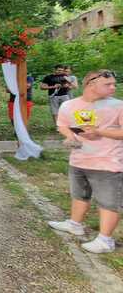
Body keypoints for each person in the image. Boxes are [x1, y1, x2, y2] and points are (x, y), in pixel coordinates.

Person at [48, 70, 122, 254]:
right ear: (90, 84)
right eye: (108, 84)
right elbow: (63, 125)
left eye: (114, 83)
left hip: (108, 162)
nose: (113, 87)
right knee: (80, 194)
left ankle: (106, 240)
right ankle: (75, 224)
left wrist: (100, 132)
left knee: (108, 202)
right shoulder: (69, 105)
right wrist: (69, 138)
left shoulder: (119, 106)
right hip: (79, 160)